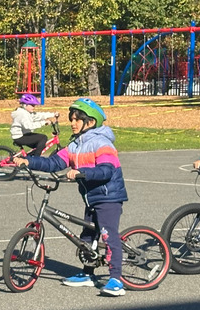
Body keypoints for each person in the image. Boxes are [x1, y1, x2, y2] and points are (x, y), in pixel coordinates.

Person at [13, 98, 127, 296]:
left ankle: (116, 279)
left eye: (77, 120)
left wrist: (82, 172)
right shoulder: (75, 145)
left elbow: (107, 170)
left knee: (108, 236)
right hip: (91, 197)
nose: (72, 123)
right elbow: (53, 163)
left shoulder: (102, 143)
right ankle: (88, 274)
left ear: (90, 122)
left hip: (108, 196)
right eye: (71, 119)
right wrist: (28, 161)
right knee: (88, 238)